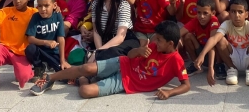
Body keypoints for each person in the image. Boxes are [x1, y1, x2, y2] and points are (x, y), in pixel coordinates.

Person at [30, 20, 190, 100]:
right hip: (123, 63)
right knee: (86, 67)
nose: (156, 41)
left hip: (127, 82)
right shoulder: (154, 46)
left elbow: (186, 85)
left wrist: (170, 92)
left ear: (170, 43)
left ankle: (83, 80)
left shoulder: (176, 60)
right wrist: (139, 51)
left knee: (85, 92)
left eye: (160, 40)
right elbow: (130, 56)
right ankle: (49, 78)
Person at [25, 0, 69, 76]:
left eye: (46, 5)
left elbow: (61, 38)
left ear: (54, 5)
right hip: (39, 51)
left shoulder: (58, 16)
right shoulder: (35, 17)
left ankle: (52, 64)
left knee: (63, 74)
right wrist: (46, 42)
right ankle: (39, 67)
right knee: (30, 49)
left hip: (53, 52)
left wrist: (62, 60)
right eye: (40, 6)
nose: (42, 9)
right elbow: (30, 39)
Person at [181, 0, 219, 81]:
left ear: (213, 13)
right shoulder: (195, 20)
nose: (201, 16)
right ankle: (196, 65)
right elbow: (179, 33)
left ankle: (219, 65)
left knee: (219, 41)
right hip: (201, 50)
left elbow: (212, 44)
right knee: (187, 36)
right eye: (199, 12)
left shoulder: (214, 21)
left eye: (205, 13)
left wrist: (210, 68)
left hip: (214, 54)